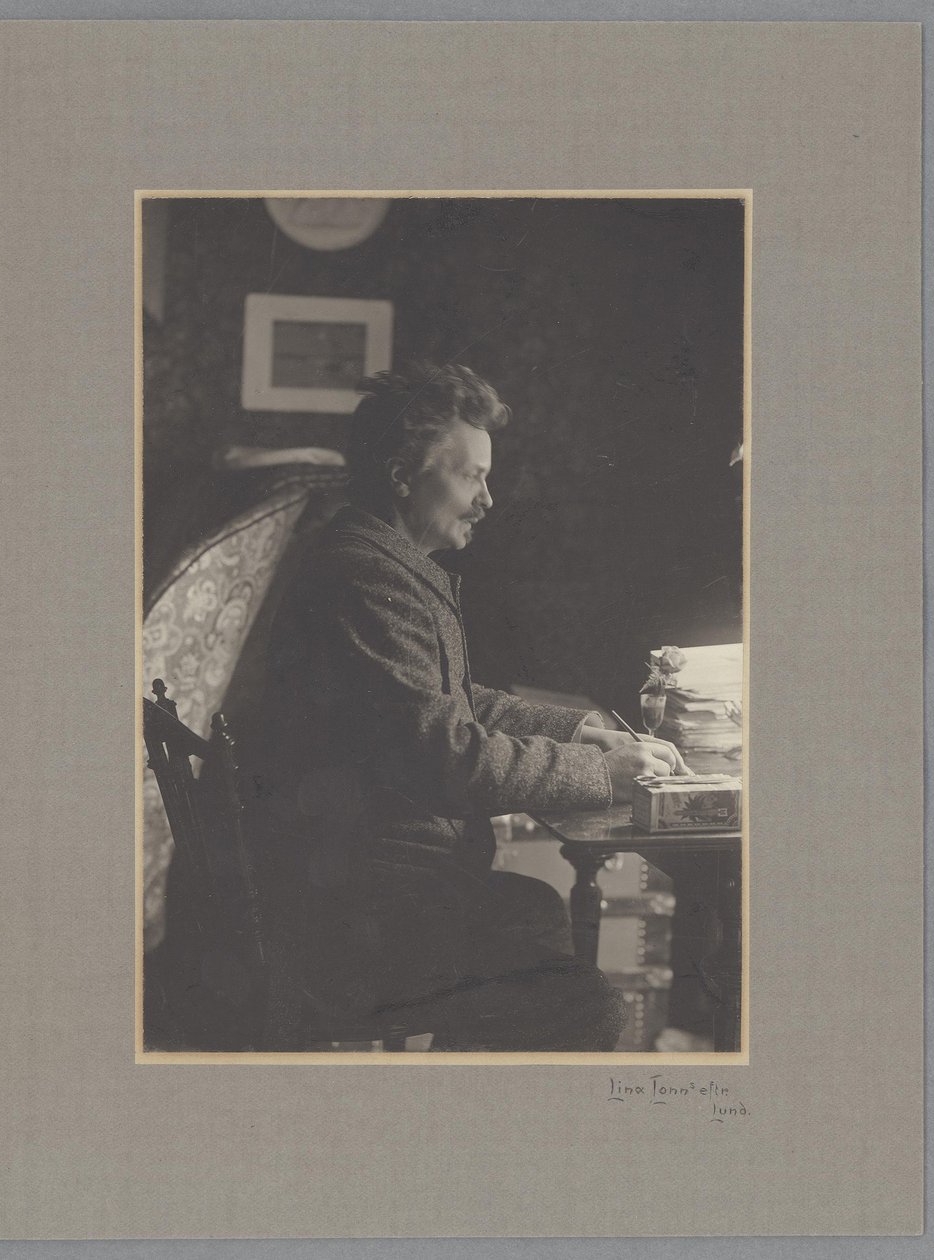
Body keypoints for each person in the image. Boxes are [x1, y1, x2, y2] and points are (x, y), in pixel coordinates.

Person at [247, 361, 688, 1051]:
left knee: (534, 909)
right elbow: (446, 755)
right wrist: (602, 774)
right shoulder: (366, 579)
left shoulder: (379, 561)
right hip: (355, 918)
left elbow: (451, 703)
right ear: (402, 474)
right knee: (588, 1007)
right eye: (471, 477)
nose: (487, 500)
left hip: (368, 886)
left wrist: (582, 730)